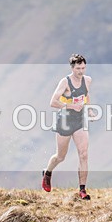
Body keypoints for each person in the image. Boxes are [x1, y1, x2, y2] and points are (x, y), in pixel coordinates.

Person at [41, 54, 93, 200]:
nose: (81, 71)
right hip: (64, 121)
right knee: (60, 156)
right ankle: (47, 172)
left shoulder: (87, 80)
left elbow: (86, 97)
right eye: (78, 68)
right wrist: (70, 105)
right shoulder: (65, 82)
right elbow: (53, 102)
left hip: (80, 121)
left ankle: (82, 190)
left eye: (83, 68)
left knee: (83, 154)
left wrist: (89, 110)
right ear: (72, 68)